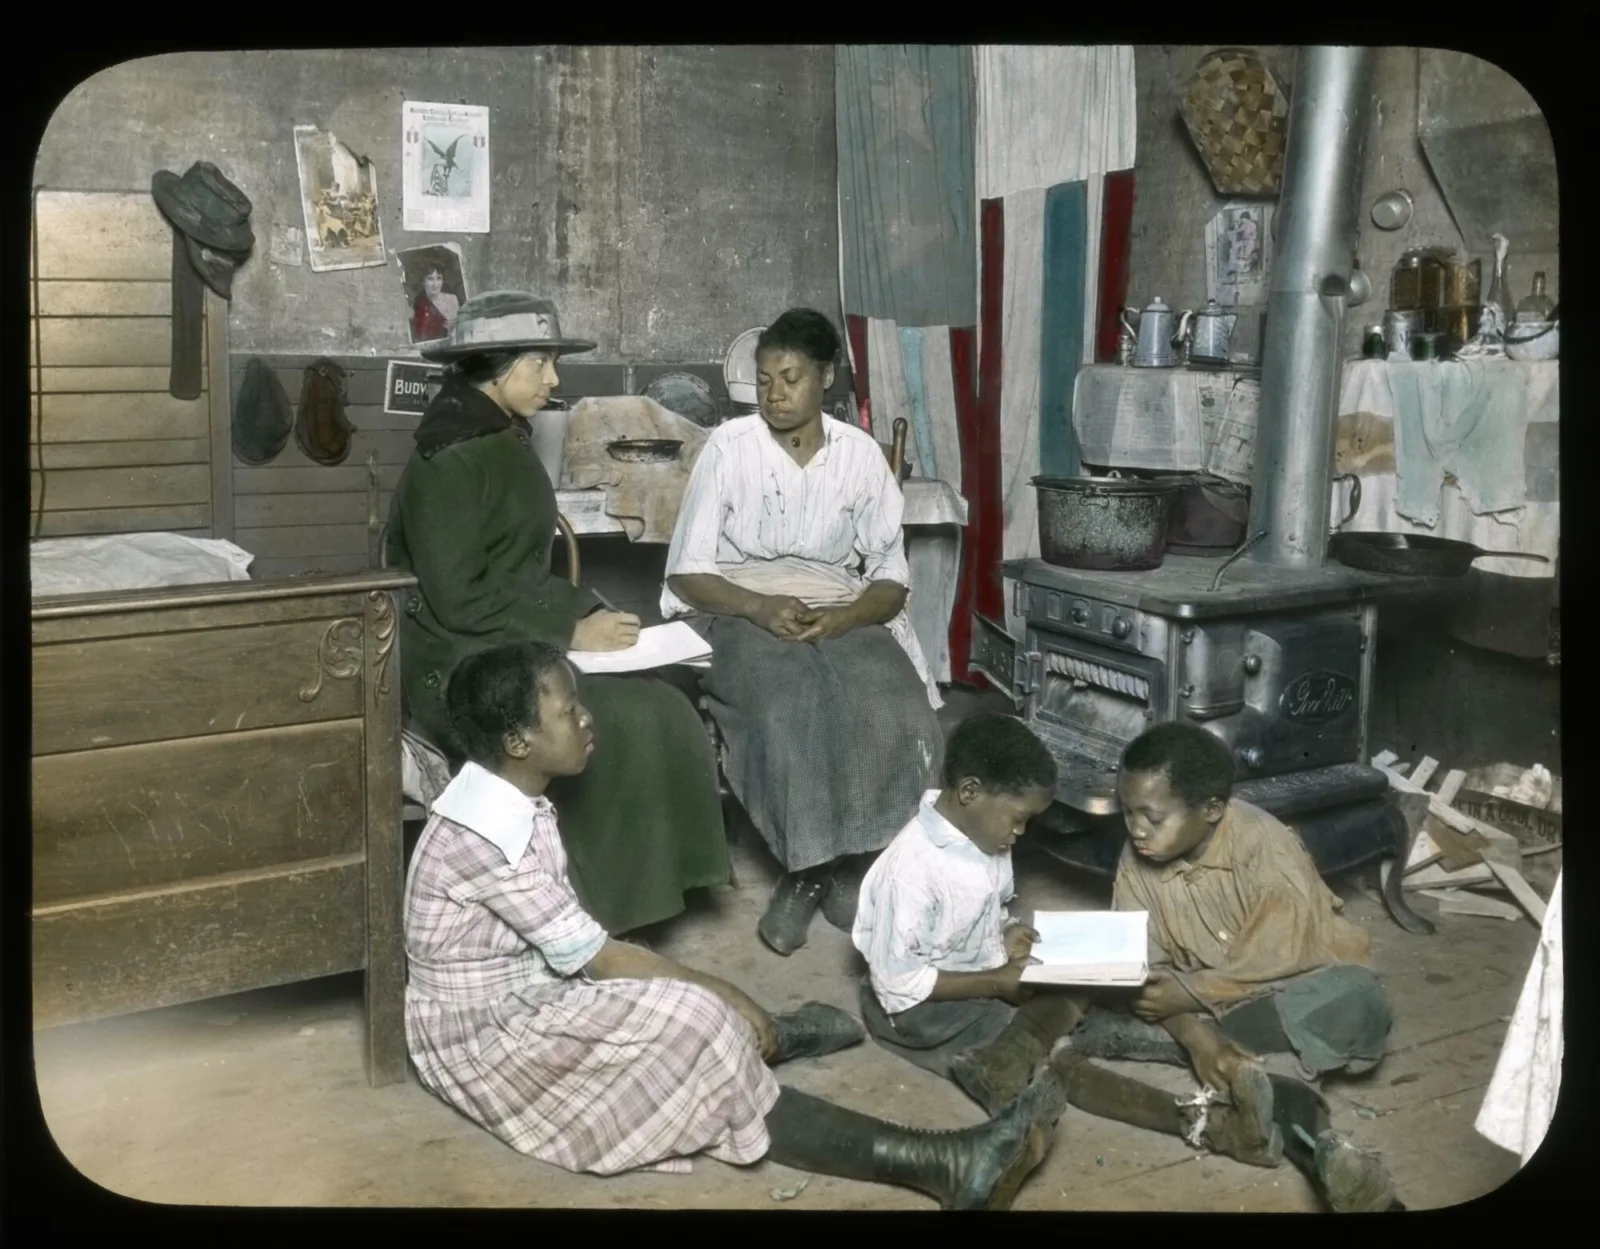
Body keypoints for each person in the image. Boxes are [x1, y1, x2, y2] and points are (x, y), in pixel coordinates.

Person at [403, 640, 1067, 1209]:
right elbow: (598, 958)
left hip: (533, 985)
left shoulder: (506, 793)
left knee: (691, 1017)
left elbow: (574, 944)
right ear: (518, 741)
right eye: (567, 709)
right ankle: (941, 1161)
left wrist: (705, 995)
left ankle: (766, 1037)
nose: (586, 716)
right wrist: (726, 993)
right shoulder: (483, 837)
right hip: (487, 1032)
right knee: (700, 1025)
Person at [386, 291, 730, 938]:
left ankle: (652, 891)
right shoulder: (448, 460)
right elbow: (459, 598)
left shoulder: (495, 437)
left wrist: (590, 610)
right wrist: (569, 632)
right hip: (455, 661)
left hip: (501, 634)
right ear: (494, 366)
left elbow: (516, 575)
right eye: (539, 362)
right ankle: (601, 921)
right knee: (612, 723)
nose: (554, 378)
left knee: (664, 705)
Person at [852, 713, 1283, 1177]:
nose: (1020, 833)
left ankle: (1211, 1063)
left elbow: (982, 908)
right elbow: (898, 984)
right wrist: (996, 981)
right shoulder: (912, 870)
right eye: (1019, 820)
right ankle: (1214, 1126)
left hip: (976, 980)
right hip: (920, 1011)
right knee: (1061, 1058)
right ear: (970, 793)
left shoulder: (983, 832)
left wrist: (1005, 931)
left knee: (1080, 991)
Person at [662, 307, 944, 956]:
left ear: (827, 376)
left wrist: (845, 618)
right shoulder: (730, 448)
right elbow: (688, 573)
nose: (774, 394)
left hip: (838, 604)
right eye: (763, 380)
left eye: (789, 378)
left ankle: (860, 860)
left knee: (892, 704)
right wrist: (757, 609)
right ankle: (810, 868)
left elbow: (891, 579)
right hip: (739, 602)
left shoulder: (861, 456)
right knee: (790, 698)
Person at [1051, 722, 1405, 1213]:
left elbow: (1284, 958)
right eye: (1128, 812)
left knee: (1359, 995)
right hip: (1225, 1014)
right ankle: (1320, 1148)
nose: (1135, 829)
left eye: (1152, 817)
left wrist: (1189, 1008)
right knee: (1265, 1070)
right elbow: (1146, 973)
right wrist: (1195, 1032)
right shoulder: (1139, 856)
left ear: (1212, 810)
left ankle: (1186, 1048)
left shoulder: (1264, 844)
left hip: (1296, 992)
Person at [411, 266, 459, 343]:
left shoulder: (452, 299)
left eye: (439, 278)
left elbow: (457, 329)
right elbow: (420, 337)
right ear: (423, 281)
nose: (435, 284)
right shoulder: (419, 305)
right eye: (430, 279)